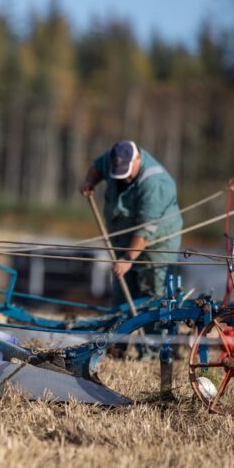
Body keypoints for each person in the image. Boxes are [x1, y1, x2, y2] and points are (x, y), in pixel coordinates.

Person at [80, 140, 183, 359]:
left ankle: (154, 349)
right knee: (121, 290)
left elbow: (145, 231)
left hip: (157, 243)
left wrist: (127, 258)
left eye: (127, 172)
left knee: (152, 294)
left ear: (137, 160)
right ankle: (118, 345)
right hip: (124, 236)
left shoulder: (155, 183)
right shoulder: (113, 158)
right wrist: (90, 181)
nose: (123, 178)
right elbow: (97, 167)